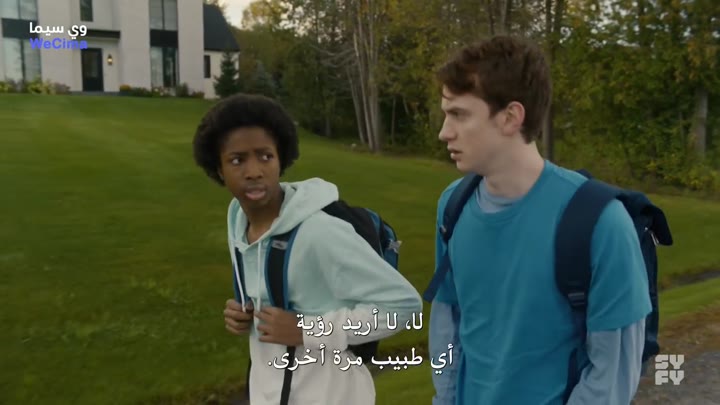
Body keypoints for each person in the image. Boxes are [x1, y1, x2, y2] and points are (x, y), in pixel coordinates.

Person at [426, 36, 652, 404]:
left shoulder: (602, 223)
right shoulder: (453, 207)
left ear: (510, 117)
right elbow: (447, 326)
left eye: (459, 115)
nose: (444, 132)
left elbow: (611, 376)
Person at [192, 93, 423, 405]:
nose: (254, 171)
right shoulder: (239, 224)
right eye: (237, 160)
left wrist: (307, 330)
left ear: (281, 159)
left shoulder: (318, 231)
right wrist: (243, 313)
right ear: (218, 169)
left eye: (265, 156)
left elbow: (403, 306)